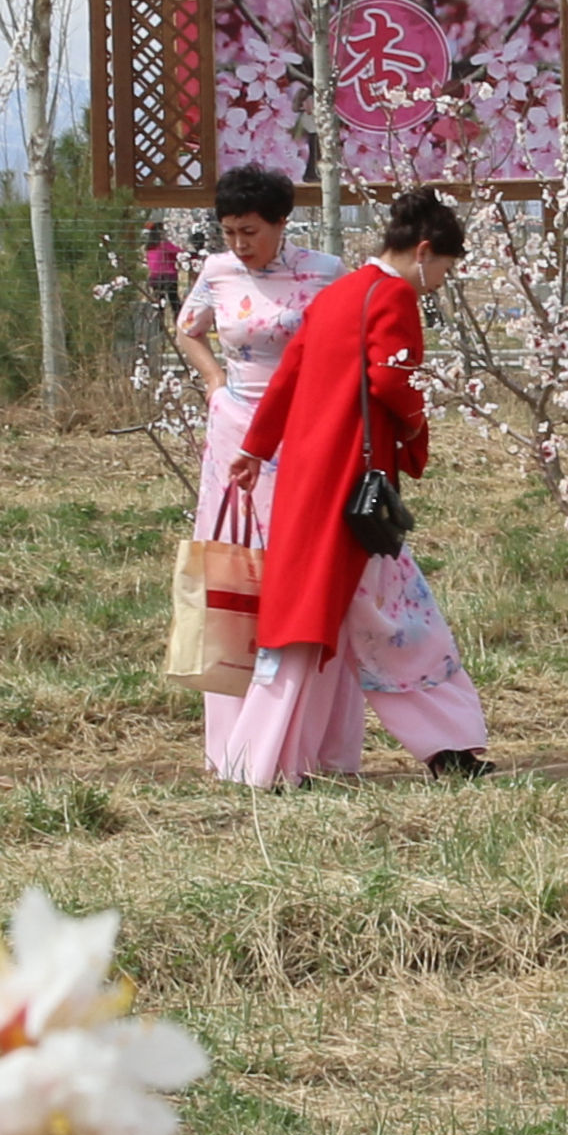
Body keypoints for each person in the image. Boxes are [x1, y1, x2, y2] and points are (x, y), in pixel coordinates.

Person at [216, 189, 492, 787]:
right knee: (402, 620)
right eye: (444, 268)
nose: (440, 283)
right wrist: (418, 424)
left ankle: (271, 760)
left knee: (311, 618)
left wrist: (254, 450)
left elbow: (287, 376)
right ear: (424, 252)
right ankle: (449, 748)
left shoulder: (337, 293)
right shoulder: (393, 295)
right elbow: (391, 380)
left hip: (308, 481)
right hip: (354, 489)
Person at [172, 166, 341, 775]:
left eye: (250, 231)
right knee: (236, 566)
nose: (239, 245)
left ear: (281, 224)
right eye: (229, 232)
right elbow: (187, 328)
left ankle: (301, 737)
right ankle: (232, 741)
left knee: (297, 567)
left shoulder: (324, 273)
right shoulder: (216, 273)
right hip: (235, 424)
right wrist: (216, 382)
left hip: (303, 430)